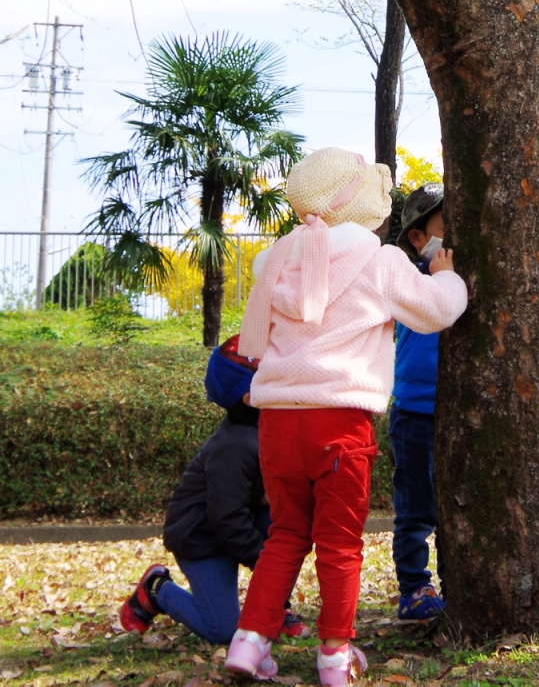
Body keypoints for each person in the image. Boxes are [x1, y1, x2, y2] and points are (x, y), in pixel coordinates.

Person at [223, 149, 467, 687]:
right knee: (339, 542)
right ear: (361, 205)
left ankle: (249, 641)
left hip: (278, 422)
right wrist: (449, 278)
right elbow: (435, 312)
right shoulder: (379, 262)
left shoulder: (278, 259)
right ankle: (334, 654)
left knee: (285, 533)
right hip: (340, 423)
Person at [119, 337, 308, 643]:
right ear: (250, 397)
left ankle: (275, 607)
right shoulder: (234, 447)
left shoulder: (267, 429)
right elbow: (225, 518)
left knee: (289, 525)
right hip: (201, 539)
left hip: (236, 524)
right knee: (223, 630)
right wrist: (267, 565)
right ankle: (157, 591)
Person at [389, 183, 447, 622]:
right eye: (444, 224)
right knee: (415, 507)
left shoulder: (461, 278)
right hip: (413, 411)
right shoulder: (408, 278)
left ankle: (453, 579)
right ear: (417, 237)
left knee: (453, 504)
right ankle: (413, 587)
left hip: (452, 410)